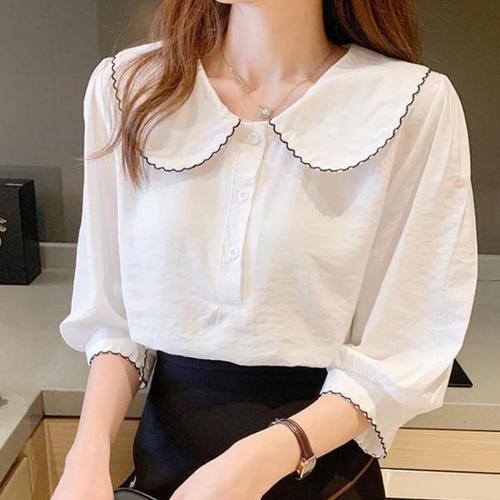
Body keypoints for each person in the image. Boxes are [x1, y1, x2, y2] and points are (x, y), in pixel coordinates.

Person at [52, 0, 478, 499]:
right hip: (163, 466)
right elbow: (112, 313)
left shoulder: (414, 104)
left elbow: (407, 347)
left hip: (320, 471)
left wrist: (259, 460)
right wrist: (85, 458)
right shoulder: (128, 87)